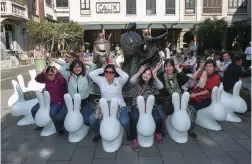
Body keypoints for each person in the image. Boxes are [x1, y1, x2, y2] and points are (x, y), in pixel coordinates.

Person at [157, 59, 197, 139]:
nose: (168, 68)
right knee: (162, 114)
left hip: (180, 99)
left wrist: (178, 69)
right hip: (167, 100)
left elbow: (186, 79)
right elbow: (157, 85)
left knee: (192, 110)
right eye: (166, 66)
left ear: (173, 67)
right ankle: (163, 130)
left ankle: (191, 129)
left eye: (170, 66)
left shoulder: (177, 75)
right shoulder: (161, 75)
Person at [89, 64, 130, 143]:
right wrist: (102, 68)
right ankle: (98, 133)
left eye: (111, 72)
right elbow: (91, 74)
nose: (108, 74)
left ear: (114, 73)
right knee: (92, 119)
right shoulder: (101, 80)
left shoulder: (119, 80)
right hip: (104, 104)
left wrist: (117, 68)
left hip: (119, 104)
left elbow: (126, 76)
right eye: (106, 72)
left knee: (124, 122)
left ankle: (128, 133)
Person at [129, 63, 164, 152]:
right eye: (145, 73)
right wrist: (139, 72)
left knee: (158, 118)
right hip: (137, 104)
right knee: (134, 118)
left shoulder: (152, 83)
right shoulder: (138, 81)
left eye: (149, 74)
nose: (146, 75)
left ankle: (157, 132)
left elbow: (161, 86)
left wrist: (155, 76)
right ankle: (134, 138)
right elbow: (131, 81)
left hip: (149, 105)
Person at [56, 59, 96, 133]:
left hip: (84, 101)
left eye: (79, 67)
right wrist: (68, 63)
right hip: (71, 102)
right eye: (75, 67)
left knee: (87, 120)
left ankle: (83, 123)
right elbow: (61, 69)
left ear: (82, 67)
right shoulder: (68, 75)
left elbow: (94, 66)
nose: (77, 69)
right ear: (72, 68)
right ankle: (67, 125)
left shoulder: (86, 74)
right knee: (59, 118)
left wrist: (85, 62)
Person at [31, 66, 67, 135]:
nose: (49, 76)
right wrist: (43, 73)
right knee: (34, 109)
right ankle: (40, 124)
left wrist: (57, 73)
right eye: (47, 75)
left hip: (57, 102)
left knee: (52, 113)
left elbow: (63, 81)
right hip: (46, 100)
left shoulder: (59, 79)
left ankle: (59, 128)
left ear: (54, 74)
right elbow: (37, 79)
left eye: (51, 75)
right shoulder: (47, 79)